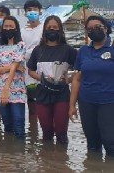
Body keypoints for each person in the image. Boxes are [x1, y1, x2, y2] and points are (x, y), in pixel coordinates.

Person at [28, 15, 76, 144]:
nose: (52, 29)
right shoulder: (38, 50)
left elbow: (80, 71)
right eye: (49, 27)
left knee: (61, 132)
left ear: (60, 30)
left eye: (55, 27)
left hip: (62, 94)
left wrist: (68, 79)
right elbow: (30, 70)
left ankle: (62, 162)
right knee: (46, 132)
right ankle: (47, 161)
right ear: (44, 30)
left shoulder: (68, 50)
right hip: (43, 93)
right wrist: (42, 78)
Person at [70, 15, 114, 155]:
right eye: (90, 29)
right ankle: (92, 167)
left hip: (109, 102)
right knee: (92, 143)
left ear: (106, 28)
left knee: (110, 141)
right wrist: (72, 106)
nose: (94, 30)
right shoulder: (83, 51)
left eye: (97, 27)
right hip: (87, 102)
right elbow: (77, 79)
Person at [0, 16, 27, 139]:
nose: (8, 28)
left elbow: (15, 67)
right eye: (5, 26)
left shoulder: (21, 45)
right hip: (1, 90)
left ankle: (19, 155)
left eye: (11, 26)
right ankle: (9, 155)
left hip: (16, 91)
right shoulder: (1, 48)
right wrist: (13, 66)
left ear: (16, 28)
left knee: (19, 124)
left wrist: (7, 88)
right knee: (7, 125)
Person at [22, 0, 44, 117]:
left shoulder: (44, 28)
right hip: (26, 71)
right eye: (29, 10)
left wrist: (29, 53)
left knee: (43, 104)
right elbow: (21, 51)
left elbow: (43, 48)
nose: (32, 12)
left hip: (42, 70)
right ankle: (33, 131)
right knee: (31, 103)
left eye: (35, 9)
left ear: (40, 11)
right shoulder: (22, 31)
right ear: (25, 13)